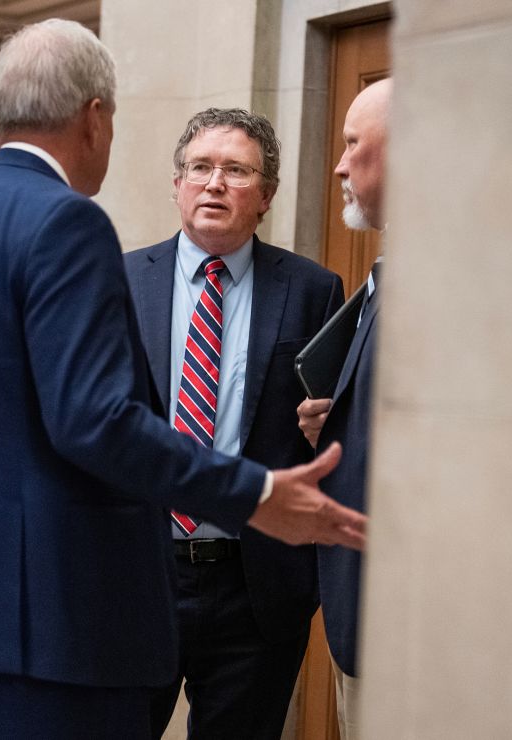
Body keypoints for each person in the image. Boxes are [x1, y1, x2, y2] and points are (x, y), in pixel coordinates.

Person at [0, 19, 367, 739]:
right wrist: (255, 492)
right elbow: (95, 421)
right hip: (42, 621)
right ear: (94, 117)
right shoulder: (66, 224)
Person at [124, 109, 344, 739]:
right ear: (176, 185)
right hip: (140, 574)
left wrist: (326, 427)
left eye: (237, 171)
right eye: (200, 167)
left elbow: (335, 431)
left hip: (257, 587)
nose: (214, 183)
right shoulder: (118, 281)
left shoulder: (312, 290)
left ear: (266, 194)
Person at [297, 78, 392, 740]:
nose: (337, 164)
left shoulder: (447, 277)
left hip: (400, 628)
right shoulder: (391, 270)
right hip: (359, 613)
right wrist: (337, 418)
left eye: (352, 143)